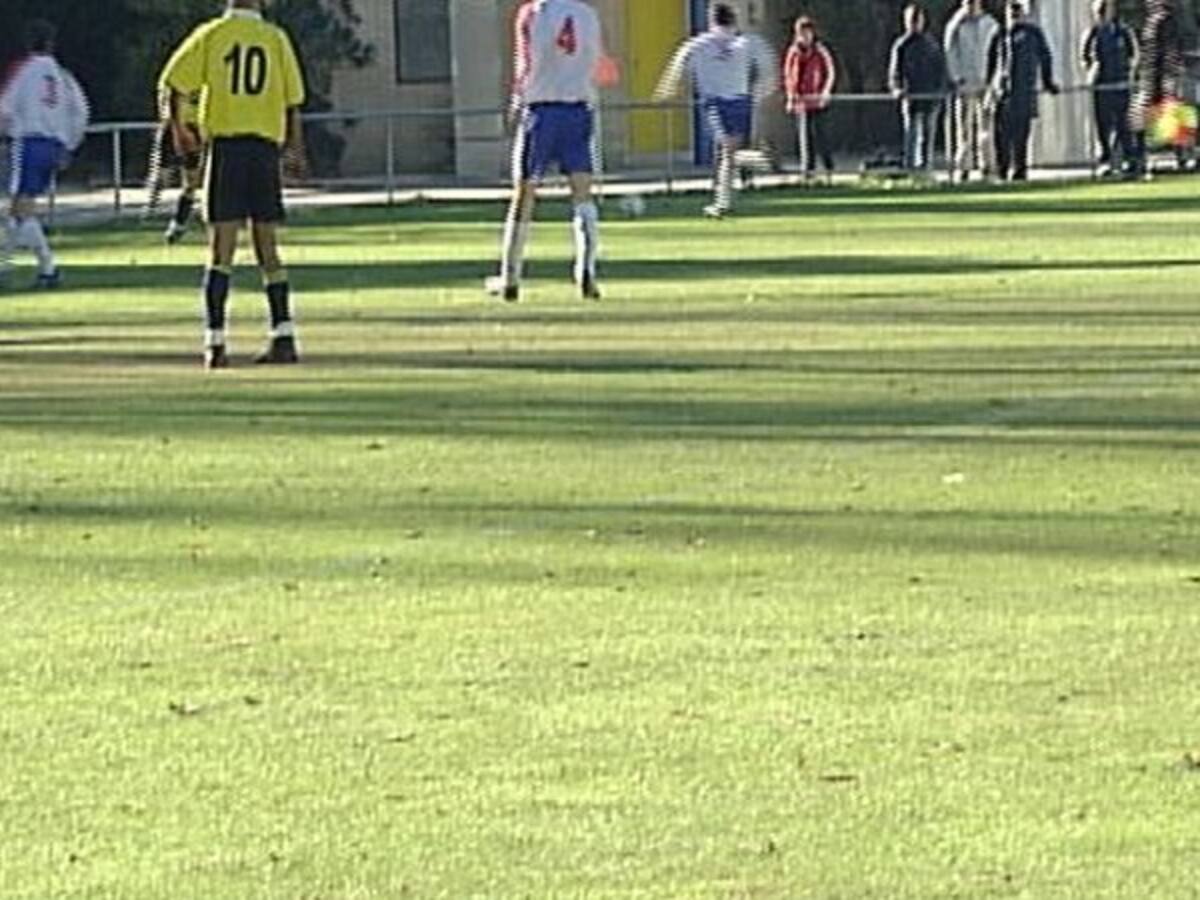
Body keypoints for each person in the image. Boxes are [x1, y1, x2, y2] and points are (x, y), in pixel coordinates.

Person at [159, 0, 308, 370]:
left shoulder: (213, 35)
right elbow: (293, 104)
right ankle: (283, 334)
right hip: (263, 151)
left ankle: (215, 343)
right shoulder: (275, 38)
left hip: (227, 149)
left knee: (220, 251)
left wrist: (179, 129)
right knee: (267, 249)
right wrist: (294, 151)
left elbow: (173, 83)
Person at [486, 0, 610, 304]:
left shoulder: (532, 13)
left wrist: (517, 101)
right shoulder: (587, 15)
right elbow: (600, 65)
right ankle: (586, 270)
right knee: (582, 193)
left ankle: (511, 277)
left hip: (541, 111)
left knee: (524, 192)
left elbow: (525, 63)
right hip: (578, 108)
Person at [656, 3, 777, 218]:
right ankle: (723, 202)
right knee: (727, 154)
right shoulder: (747, 43)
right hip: (741, 101)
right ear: (733, 20)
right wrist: (760, 93)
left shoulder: (699, 44)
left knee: (727, 153)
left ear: (712, 21)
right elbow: (770, 69)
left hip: (715, 102)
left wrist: (665, 91)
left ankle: (759, 161)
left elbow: (677, 66)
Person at [0, 20, 89, 290]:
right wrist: (69, 145)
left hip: (27, 142)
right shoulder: (63, 76)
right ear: (51, 44)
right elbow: (81, 112)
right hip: (54, 146)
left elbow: (4, 107)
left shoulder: (23, 70)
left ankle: (41, 268)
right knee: (22, 209)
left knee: (19, 210)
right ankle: (37, 268)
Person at [986, 0, 1059, 182]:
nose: (1014, 15)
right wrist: (990, 88)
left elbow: (1045, 57)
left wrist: (1048, 82)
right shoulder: (1000, 34)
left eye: (1017, 11)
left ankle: (1020, 170)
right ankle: (1002, 170)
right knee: (1000, 135)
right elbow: (991, 63)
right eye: (1011, 11)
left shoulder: (1032, 34)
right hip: (1002, 93)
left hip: (1023, 92)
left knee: (1021, 136)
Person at [888, 4, 948, 174]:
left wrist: (939, 90)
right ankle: (909, 170)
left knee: (927, 137)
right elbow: (895, 71)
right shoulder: (901, 46)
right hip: (910, 97)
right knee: (911, 135)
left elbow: (941, 69)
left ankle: (925, 170)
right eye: (911, 20)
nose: (915, 24)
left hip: (930, 96)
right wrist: (897, 88)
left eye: (917, 20)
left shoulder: (931, 45)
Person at [1082, 0, 1138, 176]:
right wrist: (1091, 72)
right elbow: (1084, 58)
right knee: (1103, 125)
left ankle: (1130, 160)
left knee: (1124, 124)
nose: (1102, 14)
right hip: (1102, 86)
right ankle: (1105, 161)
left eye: (1104, 10)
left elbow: (1133, 55)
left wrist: (1130, 73)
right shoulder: (1092, 34)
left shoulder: (1123, 31)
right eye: (1099, 11)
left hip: (1121, 84)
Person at [944, 0, 999, 182]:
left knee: (986, 126)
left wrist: (994, 79)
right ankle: (963, 167)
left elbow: (998, 52)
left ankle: (987, 165)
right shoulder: (956, 25)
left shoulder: (990, 24)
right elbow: (950, 50)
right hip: (965, 82)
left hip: (986, 82)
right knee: (963, 129)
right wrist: (956, 76)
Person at [1129, 0, 1185, 177]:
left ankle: (1172, 158)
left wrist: (1169, 75)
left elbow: (1167, 51)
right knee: (1143, 119)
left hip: (1156, 77)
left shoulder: (1163, 20)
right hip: (1152, 76)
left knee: (1148, 118)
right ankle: (1146, 159)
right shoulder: (1156, 21)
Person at [147, 88, 206, 245]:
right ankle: (150, 211)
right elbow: (164, 97)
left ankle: (179, 223)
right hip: (175, 127)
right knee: (162, 175)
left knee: (192, 182)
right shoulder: (177, 74)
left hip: (199, 127)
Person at [783, 16, 836, 180]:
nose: (805, 37)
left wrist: (826, 92)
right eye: (802, 33)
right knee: (805, 136)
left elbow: (830, 72)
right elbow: (788, 75)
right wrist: (791, 97)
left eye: (808, 33)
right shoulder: (793, 52)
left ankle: (829, 167)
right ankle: (808, 170)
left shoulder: (820, 50)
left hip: (817, 99)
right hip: (802, 101)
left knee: (821, 135)